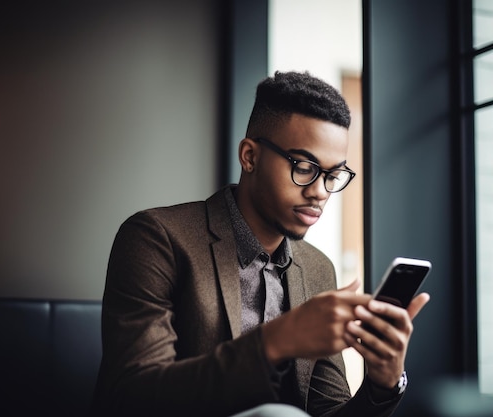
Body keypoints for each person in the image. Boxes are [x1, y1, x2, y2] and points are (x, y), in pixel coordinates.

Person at [91, 71, 430, 417]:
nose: (319, 192)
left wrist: (383, 384)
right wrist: (278, 339)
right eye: (304, 167)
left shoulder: (317, 268)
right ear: (250, 156)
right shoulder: (155, 237)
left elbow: (327, 410)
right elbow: (132, 396)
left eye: (332, 175)